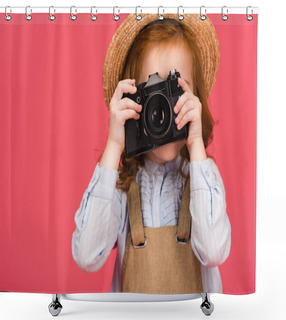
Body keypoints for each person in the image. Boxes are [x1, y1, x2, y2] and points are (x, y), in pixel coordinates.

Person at [72, 13, 231, 294]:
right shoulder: (123, 185)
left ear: (196, 98)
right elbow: (86, 256)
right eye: (152, 93)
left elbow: (215, 252)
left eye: (174, 90)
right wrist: (114, 146)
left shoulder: (204, 178)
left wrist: (195, 146)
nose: (164, 110)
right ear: (133, 101)